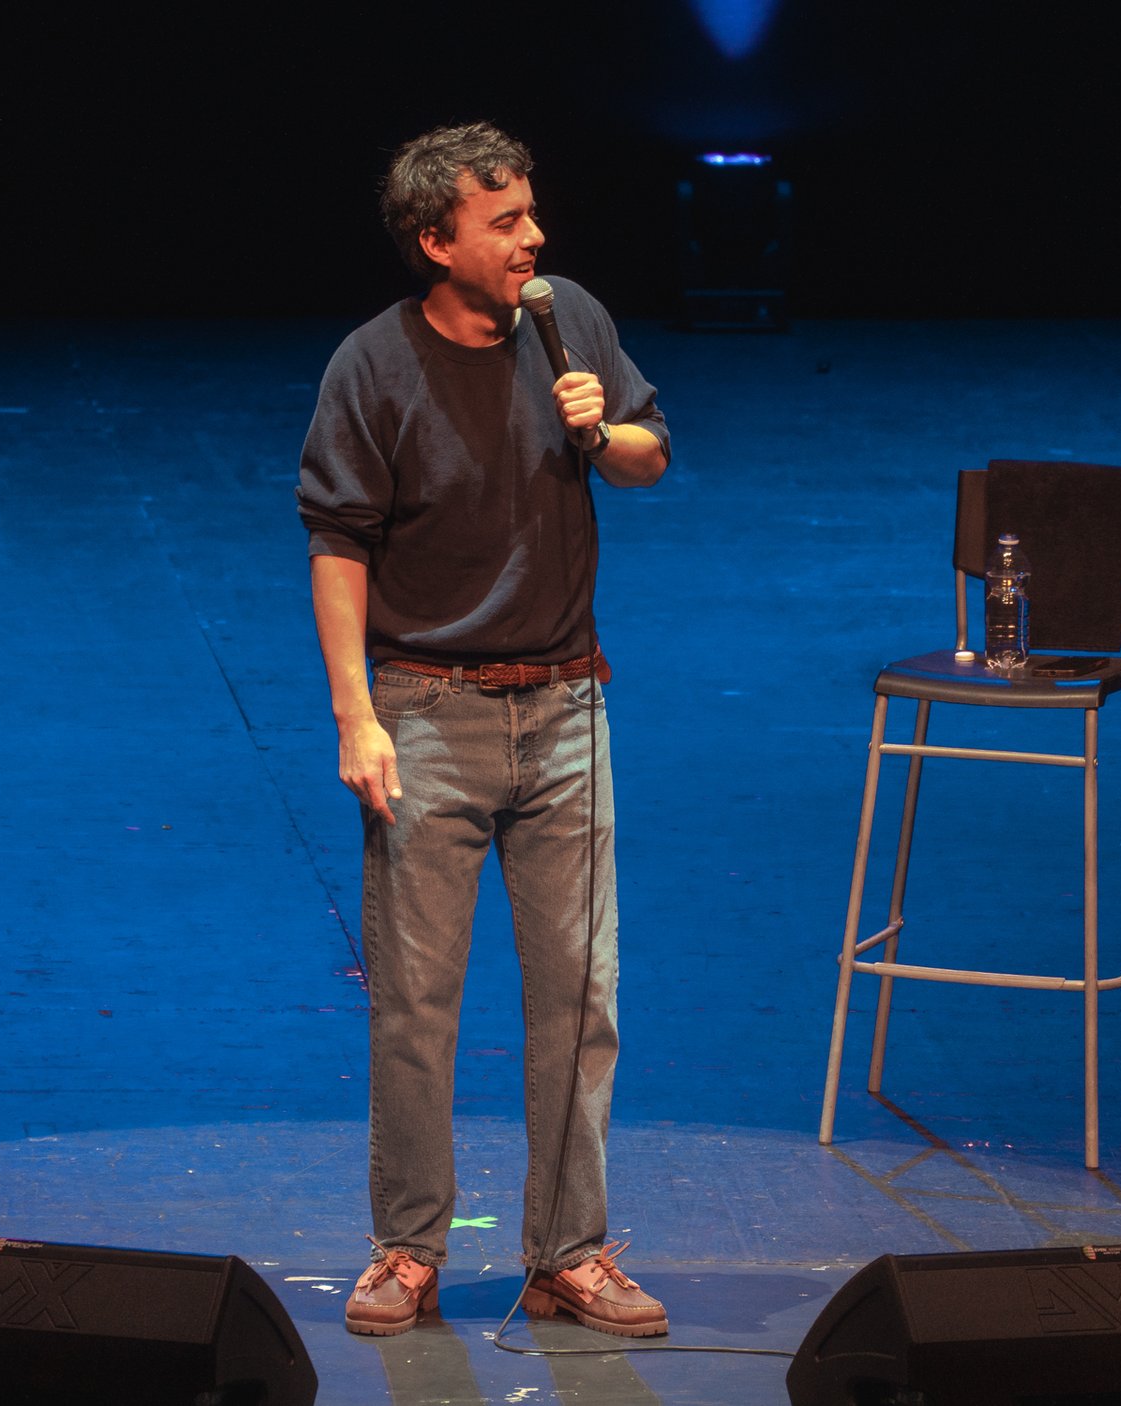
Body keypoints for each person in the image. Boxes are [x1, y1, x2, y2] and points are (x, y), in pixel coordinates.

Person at [296, 121, 672, 1339]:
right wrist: (357, 715)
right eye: (505, 222)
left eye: (530, 215)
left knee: (578, 996)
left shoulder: (573, 321)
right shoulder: (373, 364)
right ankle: (408, 1250)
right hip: (427, 713)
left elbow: (648, 457)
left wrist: (596, 428)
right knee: (416, 1003)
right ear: (435, 239)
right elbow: (337, 543)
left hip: (565, 708)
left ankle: (567, 1252)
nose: (533, 239)